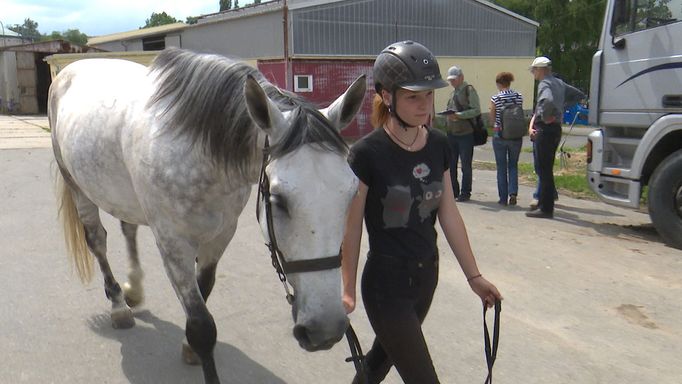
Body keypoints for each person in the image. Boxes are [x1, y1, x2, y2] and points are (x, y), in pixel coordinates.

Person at [341, 40, 502, 384]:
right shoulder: (367, 154)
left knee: (379, 362)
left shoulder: (439, 145)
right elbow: (352, 227)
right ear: (387, 95)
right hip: (386, 285)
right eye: (413, 96)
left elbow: (449, 215)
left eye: (428, 95)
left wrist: (474, 277)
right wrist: (347, 287)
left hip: (426, 277)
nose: (425, 105)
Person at [526, 56, 585, 218]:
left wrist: (546, 116)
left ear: (541, 70)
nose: (533, 73)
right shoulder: (559, 82)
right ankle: (543, 203)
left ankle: (546, 208)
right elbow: (578, 94)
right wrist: (561, 109)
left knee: (543, 169)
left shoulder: (544, 83)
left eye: (534, 70)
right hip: (556, 128)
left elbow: (548, 100)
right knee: (546, 168)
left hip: (545, 128)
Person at [444, 65, 481, 202]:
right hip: (452, 133)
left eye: (454, 79)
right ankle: (454, 191)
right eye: (450, 80)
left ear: (461, 77)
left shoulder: (468, 90)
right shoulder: (452, 93)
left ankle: (465, 192)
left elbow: (476, 110)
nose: (451, 82)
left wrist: (459, 115)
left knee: (466, 165)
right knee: (451, 164)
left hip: (465, 134)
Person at [489, 72, 524, 206]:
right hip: (516, 135)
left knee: (501, 167)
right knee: (513, 165)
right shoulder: (518, 97)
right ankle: (513, 193)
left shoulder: (496, 98)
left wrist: (494, 126)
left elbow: (492, 119)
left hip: (500, 135)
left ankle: (503, 198)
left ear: (498, 83)